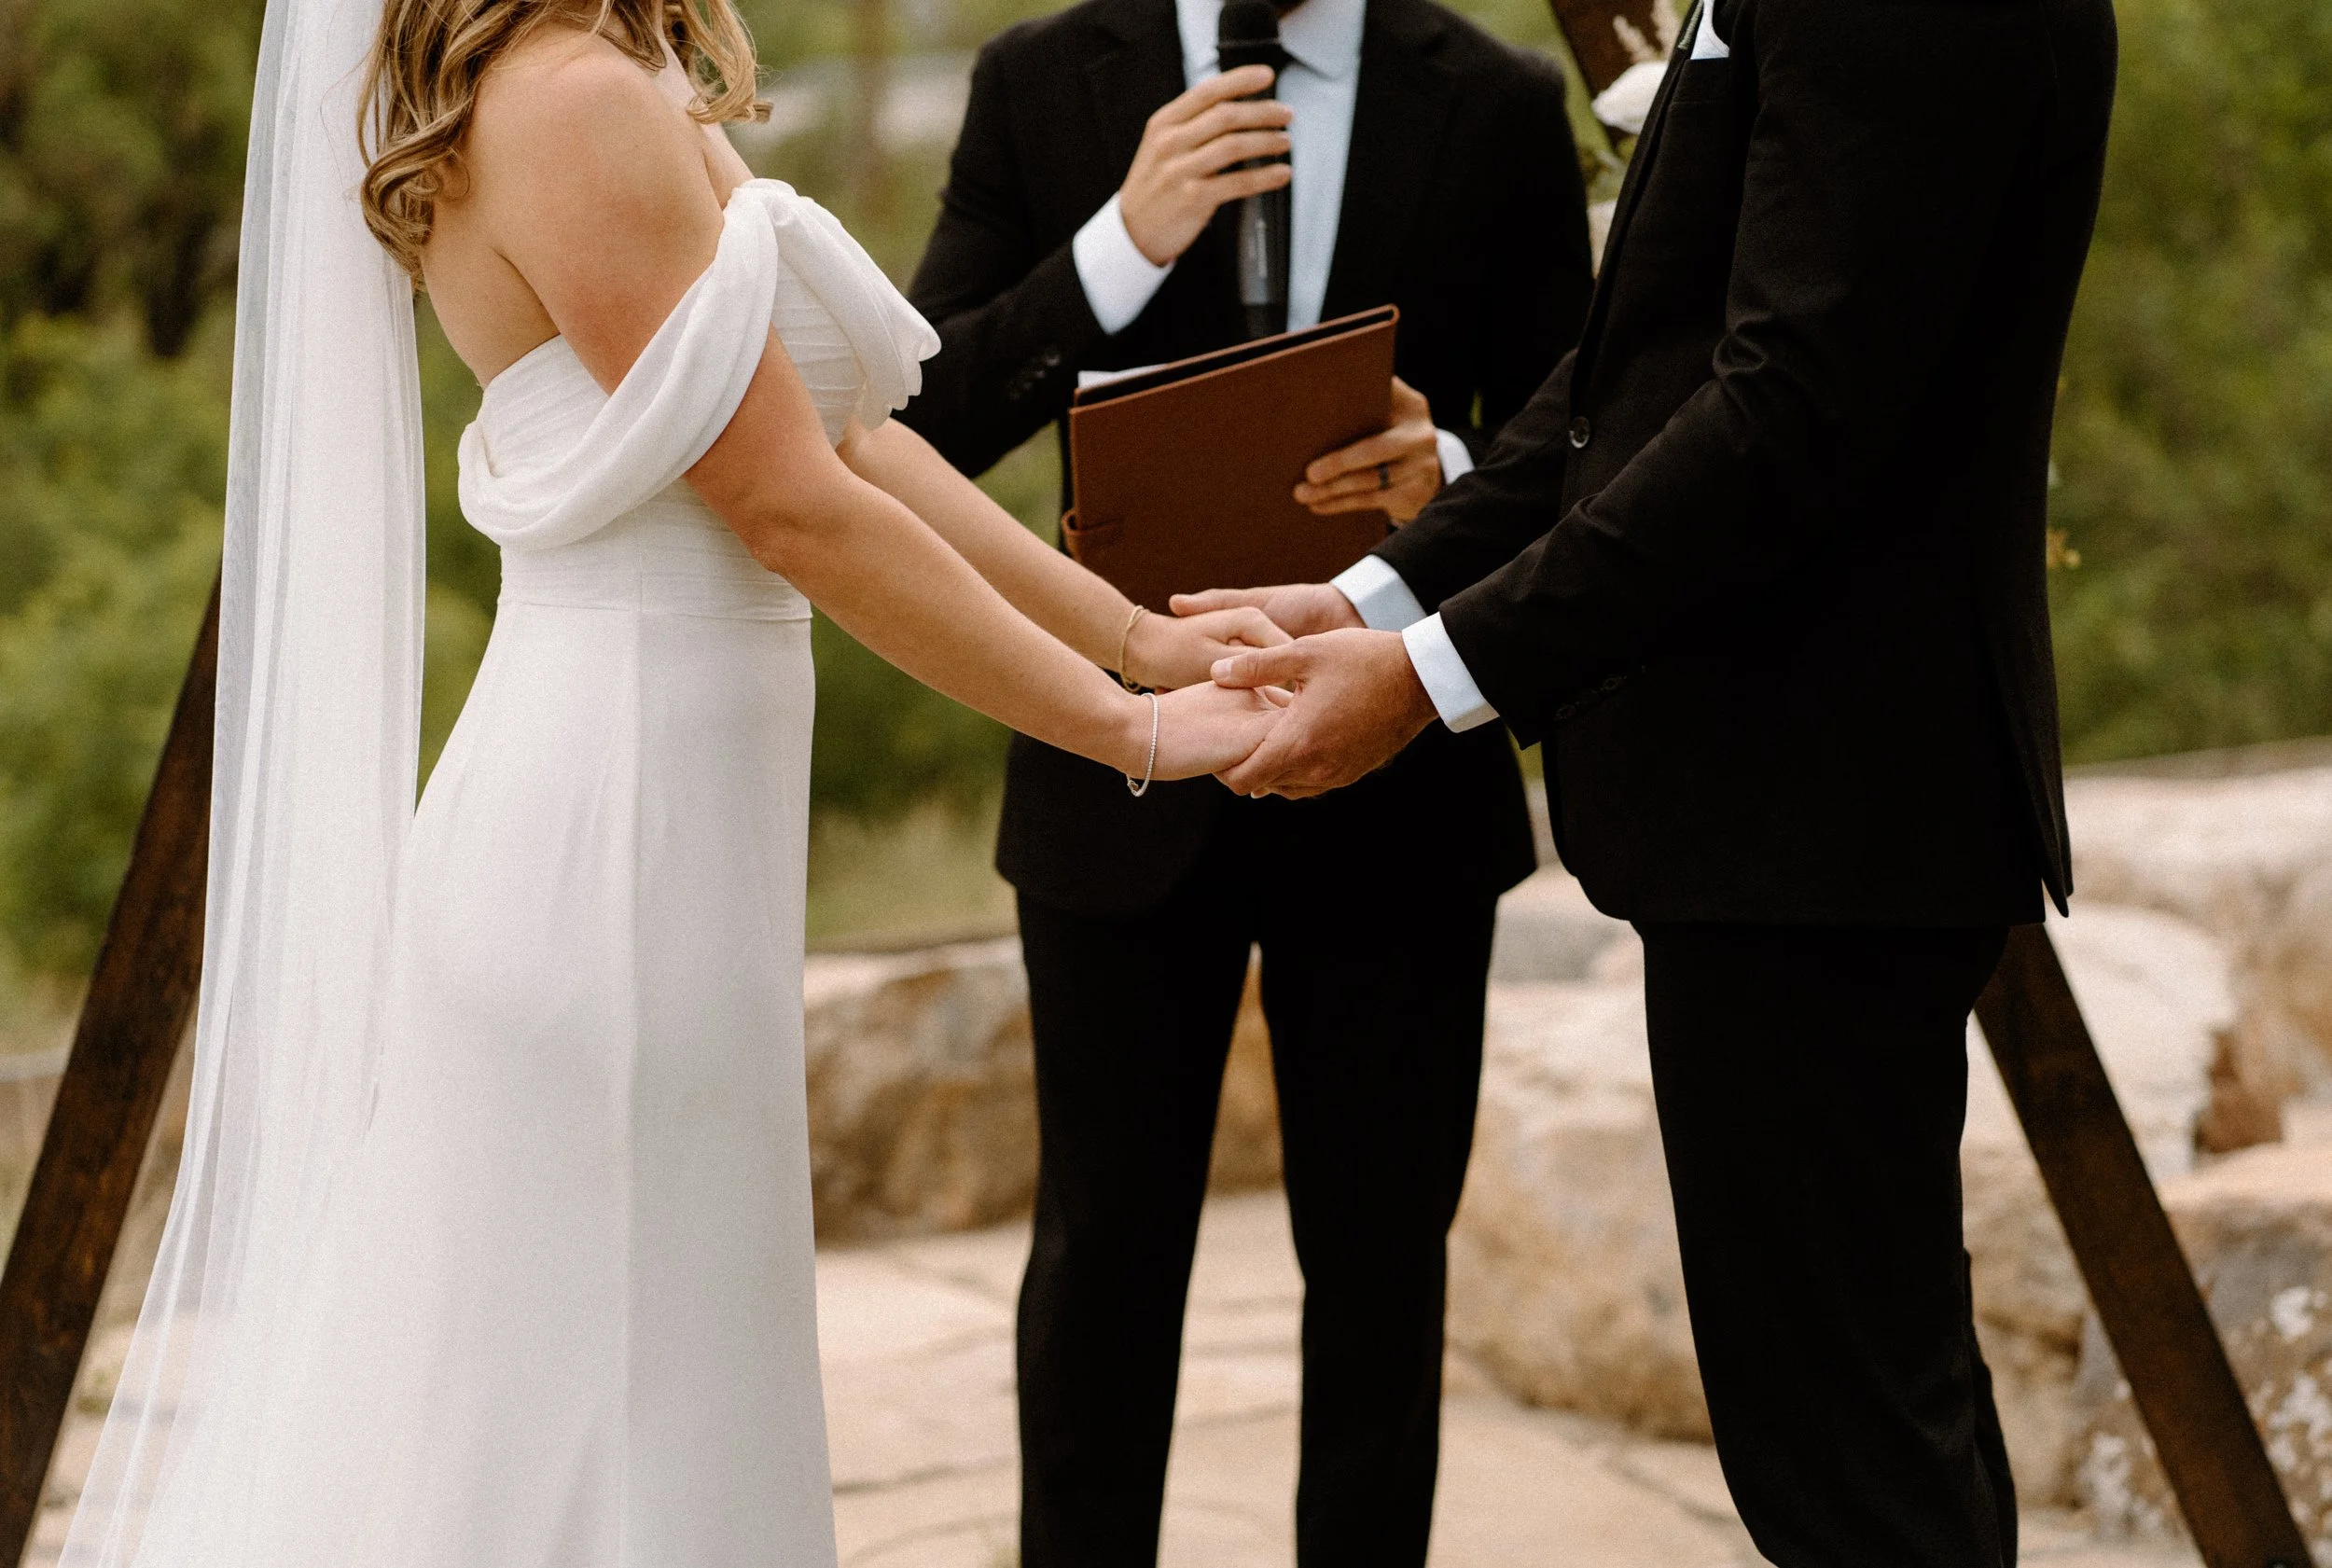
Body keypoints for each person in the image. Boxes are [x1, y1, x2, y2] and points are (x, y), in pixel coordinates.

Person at [58, 1, 1291, 1562]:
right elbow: (788, 509)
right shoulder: (570, 99)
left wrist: (1139, 642)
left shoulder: (612, 72)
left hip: (662, 830)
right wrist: (1132, 739)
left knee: (642, 1373)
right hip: (613, 838)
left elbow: (850, 440)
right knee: (613, 1403)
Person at [1190, 0, 2117, 1564]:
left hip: (1824, 808)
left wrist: (1430, 683)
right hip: (1790, 816)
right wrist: (1375, 599)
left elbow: (1784, 409)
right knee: (1866, 1418)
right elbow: (1637, 371)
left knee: (1849, 1467)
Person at [897, 0, 1591, 1561]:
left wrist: (1453, 476)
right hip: (1117, 771)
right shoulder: (1039, 81)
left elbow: (1591, 418)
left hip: (1399, 769)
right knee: (1100, 1266)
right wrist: (1115, 252)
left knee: (1380, 1270)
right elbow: (919, 423)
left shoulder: (1491, 96)